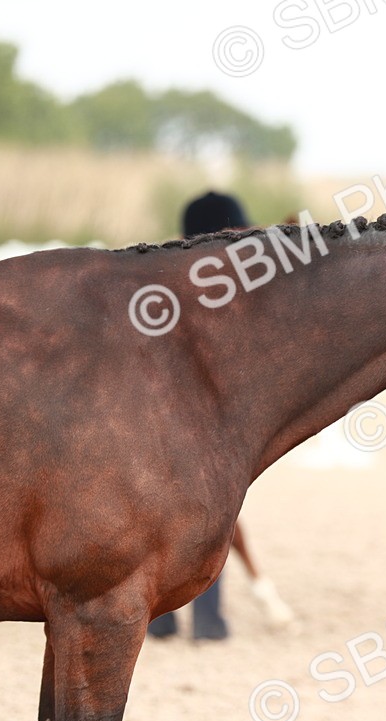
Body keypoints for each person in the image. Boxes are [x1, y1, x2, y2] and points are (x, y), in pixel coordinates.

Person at [146, 190, 250, 642]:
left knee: (153, 513)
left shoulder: (158, 275)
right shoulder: (235, 283)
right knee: (211, 515)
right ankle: (207, 620)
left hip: (151, 413)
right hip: (208, 417)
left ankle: (161, 617)